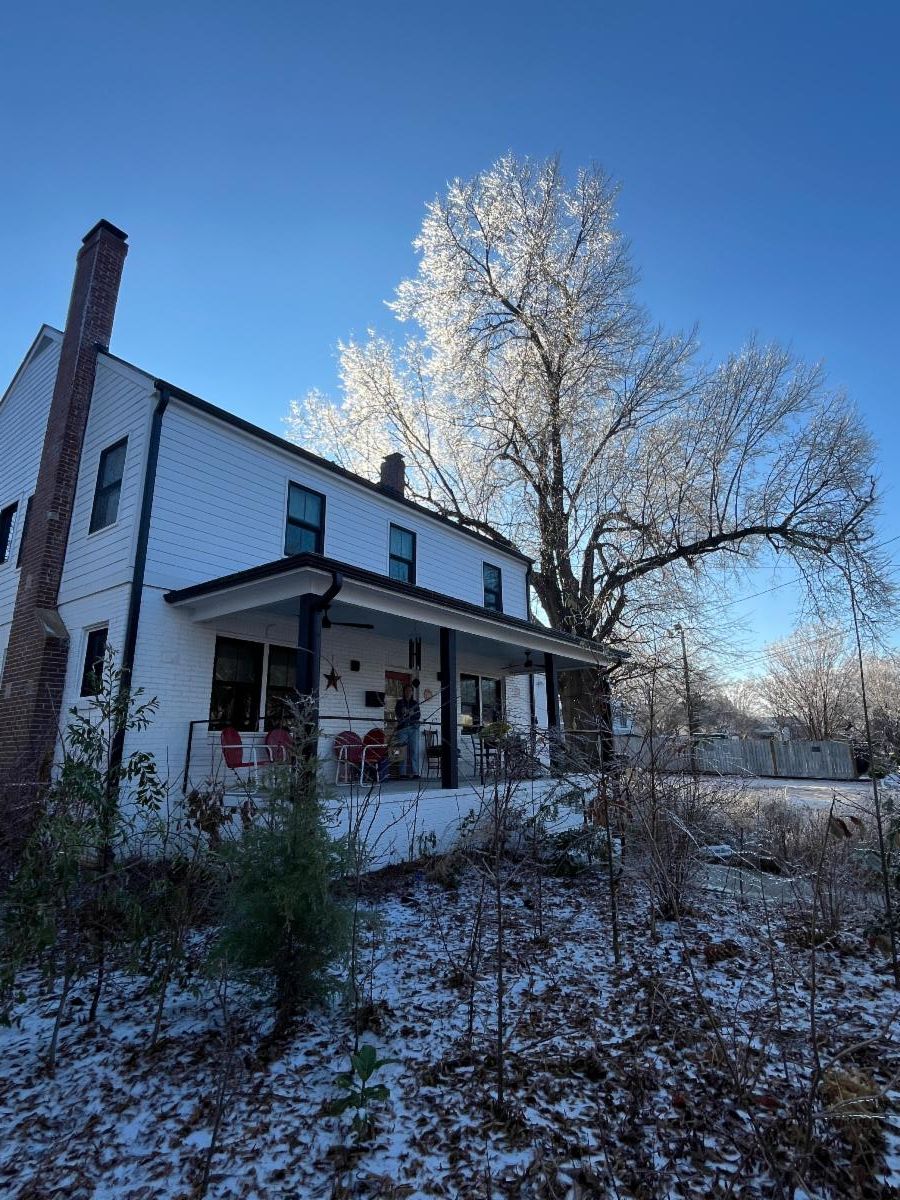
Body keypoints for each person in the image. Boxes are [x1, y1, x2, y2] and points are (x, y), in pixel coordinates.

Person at [393, 684, 421, 778]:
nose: (408, 692)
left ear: (412, 692)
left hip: (413, 728)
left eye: (410, 690)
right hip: (402, 729)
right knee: (401, 750)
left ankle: (415, 772)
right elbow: (397, 715)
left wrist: (412, 713)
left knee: (414, 750)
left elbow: (418, 716)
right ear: (404, 692)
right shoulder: (400, 703)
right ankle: (402, 773)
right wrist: (403, 712)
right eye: (406, 690)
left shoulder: (415, 703)